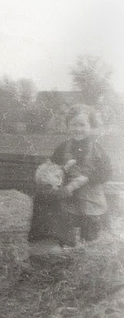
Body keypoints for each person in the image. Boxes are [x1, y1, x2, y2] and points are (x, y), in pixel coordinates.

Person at [28, 104, 112, 248]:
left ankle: (88, 247)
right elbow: (52, 168)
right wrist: (56, 171)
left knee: (90, 240)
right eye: (73, 124)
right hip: (68, 200)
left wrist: (87, 178)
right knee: (67, 235)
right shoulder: (62, 148)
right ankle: (67, 248)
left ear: (90, 126)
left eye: (82, 125)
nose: (77, 129)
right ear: (68, 126)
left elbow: (106, 173)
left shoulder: (98, 150)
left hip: (90, 201)